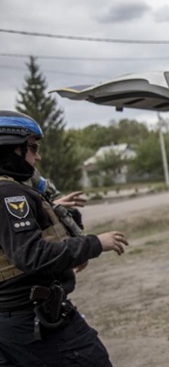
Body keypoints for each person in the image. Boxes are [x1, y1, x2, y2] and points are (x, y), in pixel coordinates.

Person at [0, 110, 129, 367]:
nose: (38, 155)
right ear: (11, 148)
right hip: (32, 319)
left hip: (17, 319)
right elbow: (31, 254)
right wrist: (95, 243)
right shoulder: (10, 194)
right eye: (32, 147)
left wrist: (56, 209)